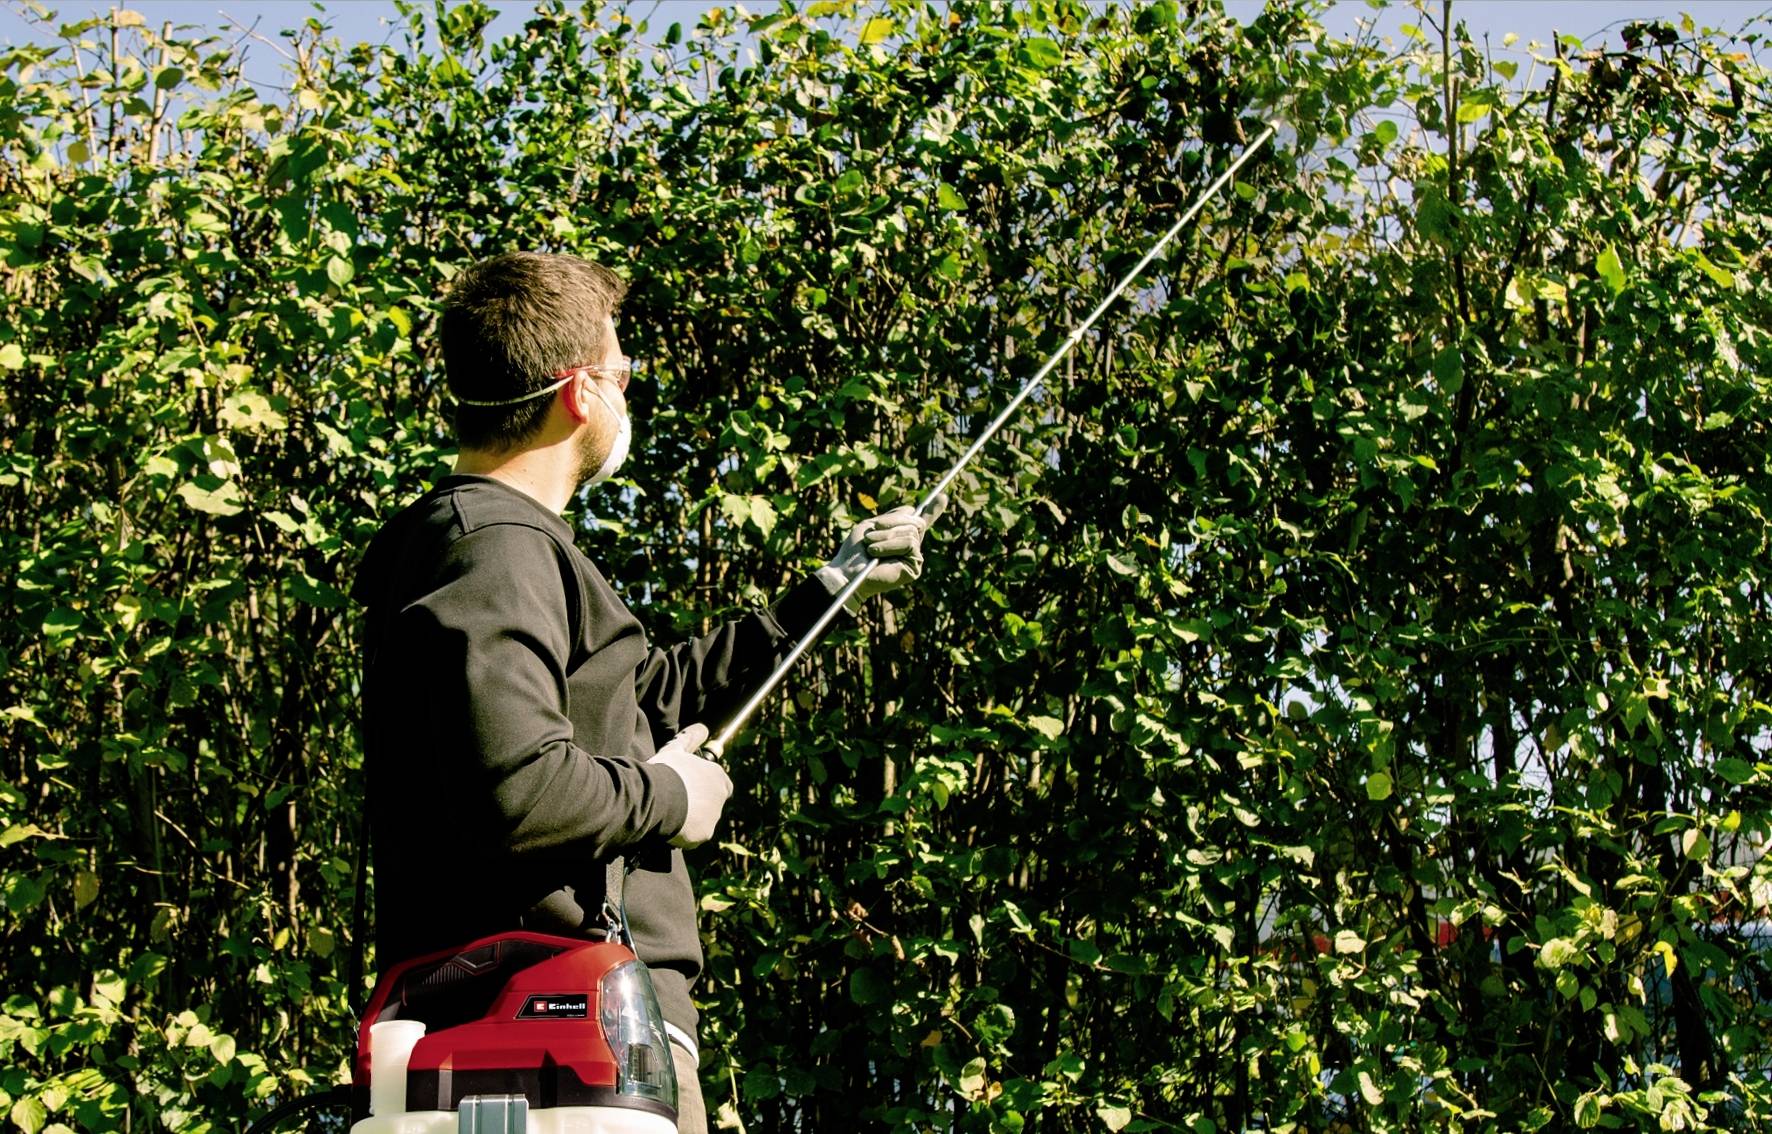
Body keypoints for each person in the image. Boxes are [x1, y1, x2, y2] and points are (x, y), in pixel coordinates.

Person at [351, 251, 942, 1133]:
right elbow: (520, 787)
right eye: (623, 371)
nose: (629, 393)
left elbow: (635, 706)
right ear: (580, 392)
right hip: (549, 1041)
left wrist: (827, 591)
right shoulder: (495, 547)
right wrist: (672, 797)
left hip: (566, 1037)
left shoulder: (498, 548)